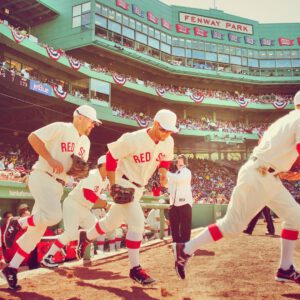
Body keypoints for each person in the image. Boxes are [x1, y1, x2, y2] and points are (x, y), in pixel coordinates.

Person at [172, 90, 300, 283]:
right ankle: (186, 249)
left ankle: (285, 268)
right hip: (259, 174)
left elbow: (273, 150)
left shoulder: (285, 120)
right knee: (232, 226)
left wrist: (282, 170)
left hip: (267, 175)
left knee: (295, 217)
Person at [1, 105, 101, 290]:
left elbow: (75, 168)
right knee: (54, 216)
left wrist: (79, 172)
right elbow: (33, 137)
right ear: (79, 117)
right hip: (42, 176)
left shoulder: (85, 142)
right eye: (91, 121)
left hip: (59, 185)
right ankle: (18, 223)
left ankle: (11, 268)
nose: (93, 125)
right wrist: (49, 158)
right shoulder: (62, 128)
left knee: (37, 231)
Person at [77, 109, 177, 285]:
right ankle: (135, 268)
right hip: (123, 182)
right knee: (137, 223)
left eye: (170, 131)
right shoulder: (132, 139)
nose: (167, 134)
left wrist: (163, 174)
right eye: (163, 130)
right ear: (155, 123)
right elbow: (110, 156)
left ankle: (86, 236)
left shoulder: (168, 141)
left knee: (111, 222)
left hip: (139, 187)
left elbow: (165, 160)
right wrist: (113, 183)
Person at [40, 155, 109, 267]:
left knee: (96, 227)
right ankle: (48, 257)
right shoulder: (92, 174)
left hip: (84, 208)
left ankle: (82, 241)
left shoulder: (105, 180)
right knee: (70, 233)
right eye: (111, 164)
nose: (114, 167)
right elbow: (88, 194)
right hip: (73, 203)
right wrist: (105, 204)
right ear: (104, 165)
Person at [168, 155, 193, 244]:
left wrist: (165, 173)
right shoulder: (175, 173)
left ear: (185, 163)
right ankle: (176, 243)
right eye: (177, 161)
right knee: (174, 225)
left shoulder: (187, 172)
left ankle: (185, 244)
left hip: (185, 203)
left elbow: (179, 179)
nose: (178, 163)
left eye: (180, 162)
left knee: (185, 226)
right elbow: (169, 186)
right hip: (174, 203)